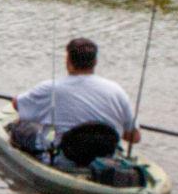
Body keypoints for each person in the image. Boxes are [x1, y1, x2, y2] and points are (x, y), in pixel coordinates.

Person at [10, 37, 140, 160]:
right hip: (104, 157)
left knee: (20, 126)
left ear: (68, 62)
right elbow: (135, 137)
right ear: (95, 62)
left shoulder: (51, 88)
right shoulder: (117, 91)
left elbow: (18, 105)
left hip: (63, 159)